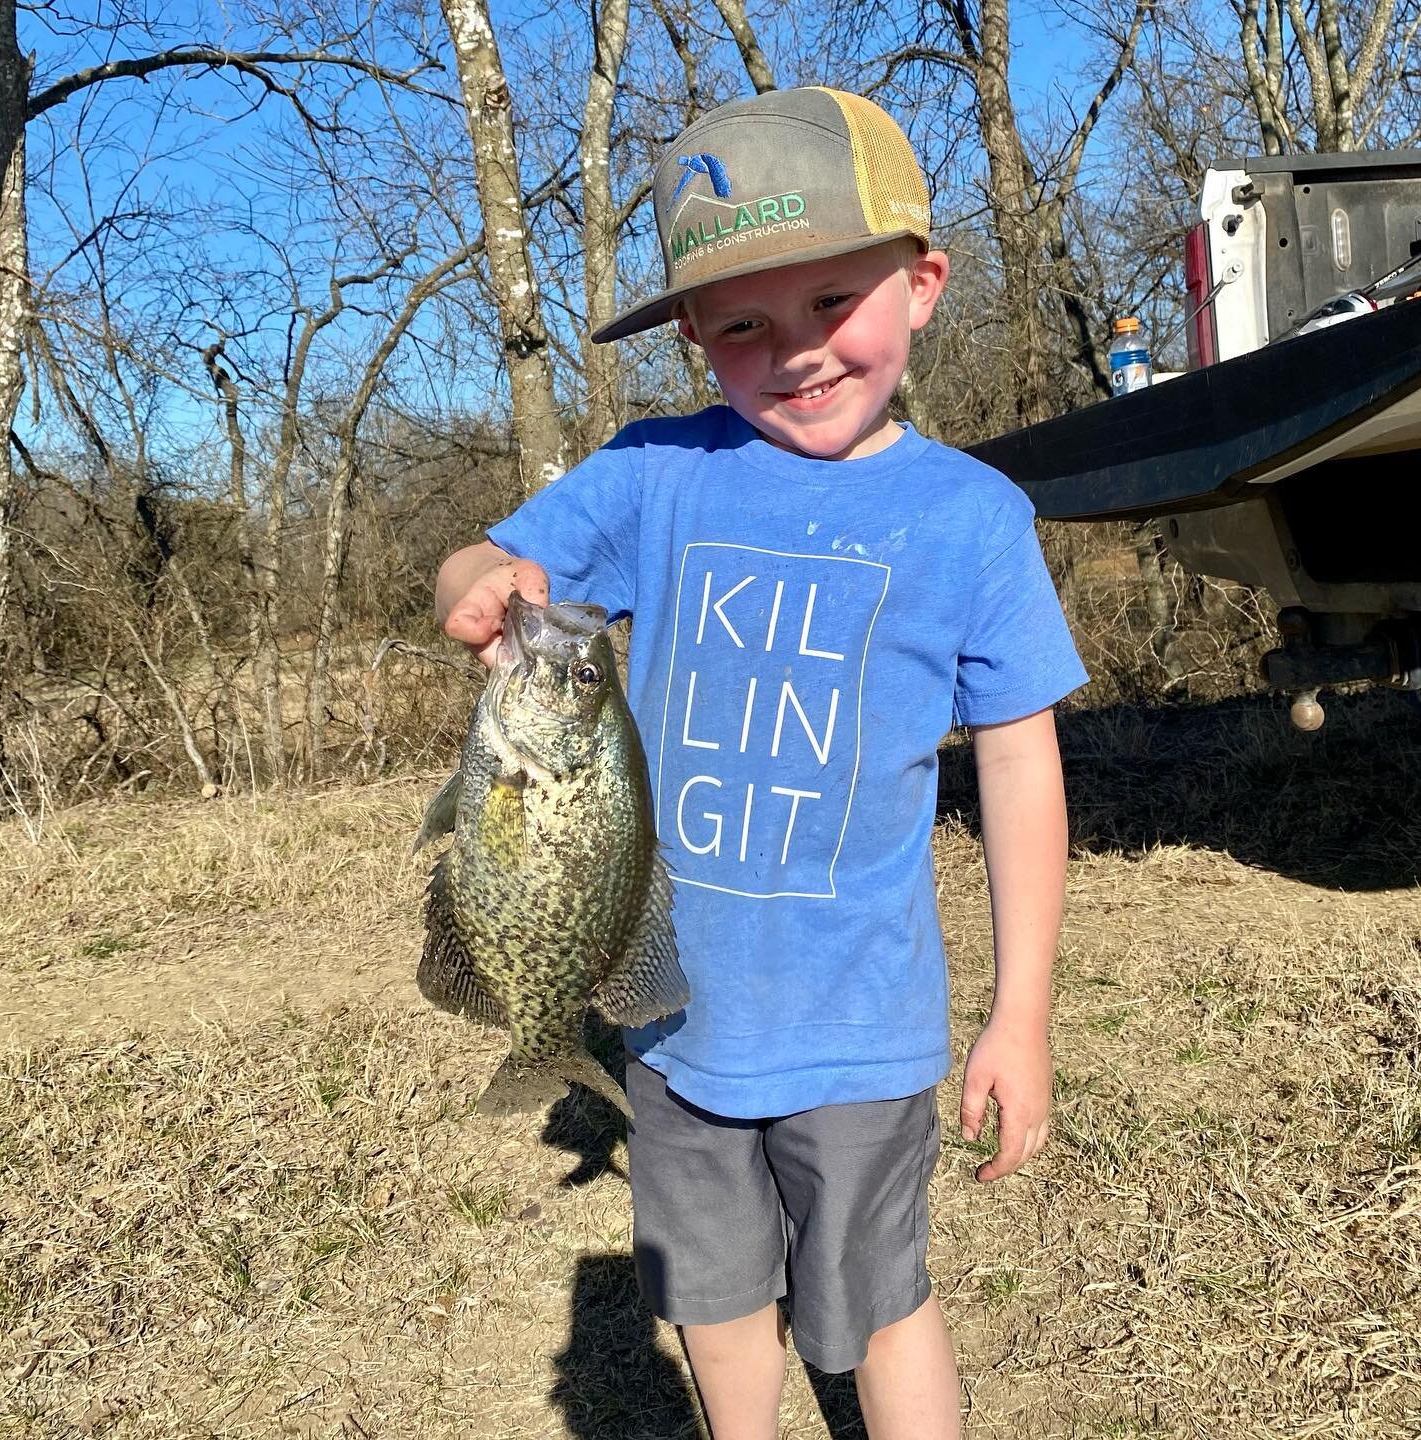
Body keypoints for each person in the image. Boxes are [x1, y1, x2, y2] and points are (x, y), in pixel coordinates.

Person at [434, 86, 1087, 1440]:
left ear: (922, 285)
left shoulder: (971, 517)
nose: (792, 352)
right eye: (742, 324)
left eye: (832, 301)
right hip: (670, 1026)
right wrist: (483, 578)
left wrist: (1018, 1017)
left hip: (863, 1027)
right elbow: (487, 557)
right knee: (717, 1295)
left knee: (878, 1301)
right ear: (692, 334)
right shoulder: (652, 475)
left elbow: (1023, 768)